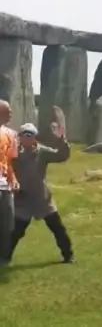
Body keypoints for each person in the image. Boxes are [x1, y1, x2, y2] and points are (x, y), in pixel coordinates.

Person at [7, 122, 75, 264]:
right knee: (15, 232)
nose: (26, 137)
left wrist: (61, 140)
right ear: (19, 137)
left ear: (34, 137)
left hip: (42, 199)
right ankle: (4, 258)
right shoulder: (14, 153)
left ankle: (68, 255)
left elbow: (61, 156)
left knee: (57, 228)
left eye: (29, 134)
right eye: (23, 134)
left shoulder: (42, 152)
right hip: (22, 199)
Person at [0, 100, 18, 267]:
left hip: (4, 185)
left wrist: (13, 179)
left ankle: (3, 258)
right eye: (8, 111)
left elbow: (9, 160)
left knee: (7, 223)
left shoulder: (11, 134)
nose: (11, 114)